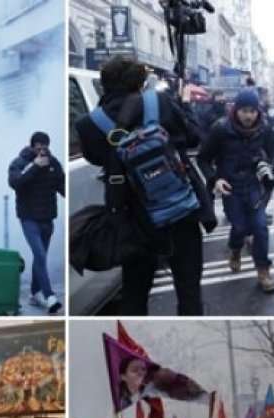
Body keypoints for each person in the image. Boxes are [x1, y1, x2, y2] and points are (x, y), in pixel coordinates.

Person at [75, 56, 204, 315]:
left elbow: (97, 159)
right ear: (141, 81)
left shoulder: (89, 124)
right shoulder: (161, 103)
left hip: (132, 218)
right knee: (188, 289)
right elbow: (192, 138)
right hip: (179, 209)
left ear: (104, 83)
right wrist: (185, 106)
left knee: (134, 292)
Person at [198, 88, 274, 294]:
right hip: (231, 188)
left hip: (255, 187)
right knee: (241, 228)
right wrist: (215, 179)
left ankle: (263, 270)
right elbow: (203, 158)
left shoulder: (265, 129)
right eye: (244, 111)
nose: (249, 116)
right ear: (236, 110)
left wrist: (269, 168)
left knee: (260, 227)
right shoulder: (221, 129)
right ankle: (235, 249)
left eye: (252, 111)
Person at [8, 131, 65, 314]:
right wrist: (34, 166)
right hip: (28, 218)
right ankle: (49, 296)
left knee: (40, 257)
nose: (42, 150)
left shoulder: (53, 163)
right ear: (32, 146)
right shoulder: (20, 163)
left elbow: (62, 186)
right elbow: (16, 182)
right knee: (39, 254)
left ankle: (35, 293)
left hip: (47, 218)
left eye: (45, 146)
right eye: (38, 146)